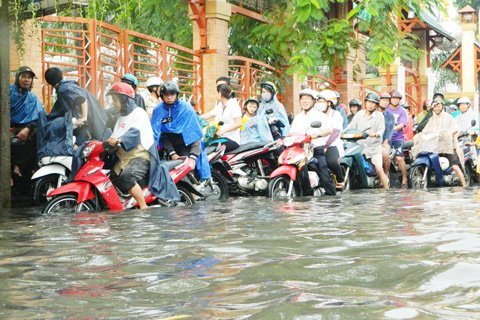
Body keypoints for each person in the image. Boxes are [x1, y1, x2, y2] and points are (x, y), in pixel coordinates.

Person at [106, 82, 179, 209]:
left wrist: (119, 140)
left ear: (124, 100)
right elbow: (113, 136)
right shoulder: (120, 118)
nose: (114, 103)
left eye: (115, 100)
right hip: (126, 158)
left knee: (126, 177)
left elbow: (134, 134)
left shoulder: (139, 113)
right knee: (110, 179)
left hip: (141, 156)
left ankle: (143, 205)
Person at [151, 81, 211, 180]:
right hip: (168, 146)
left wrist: (192, 157)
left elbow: (195, 134)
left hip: (187, 145)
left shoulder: (186, 109)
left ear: (177, 95)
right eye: (166, 95)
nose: (169, 97)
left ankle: (193, 193)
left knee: (186, 170)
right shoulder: (158, 110)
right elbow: (158, 134)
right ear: (161, 96)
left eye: (172, 94)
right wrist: (172, 153)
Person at [44, 67, 110, 145]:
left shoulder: (63, 89)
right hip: (96, 116)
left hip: (89, 123)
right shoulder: (69, 85)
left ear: (49, 82)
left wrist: (83, 117)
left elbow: (82, 99)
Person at [290, 88, 336, 195]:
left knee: (324, 177)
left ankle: (333, 199)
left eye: (307, 99)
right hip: (300, 151)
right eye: (302, 99)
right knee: (300, 174)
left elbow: (329, 130)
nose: (304, 101)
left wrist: (317, 135)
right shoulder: (298, 117)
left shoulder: (320, 115)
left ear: (313, 101)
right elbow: (291, 132)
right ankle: (305, 194)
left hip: (315, 150)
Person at [414, 99, 466, 187]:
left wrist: (447, 134)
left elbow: (456, 129)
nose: (437, 108)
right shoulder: (431, 119)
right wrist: (421, 135)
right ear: (432, 108)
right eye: (435, 106)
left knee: (454, 167)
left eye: (438, 106)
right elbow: (426, 130)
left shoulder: (448, 117)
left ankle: (464, 185)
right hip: (435, 146)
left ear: (442, 106)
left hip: (449, 146)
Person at [346, 93, 389, 189]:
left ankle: (386, 190)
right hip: (359, 147)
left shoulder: (379, 116)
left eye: (373, 103)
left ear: (377, 105)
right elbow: (350, 127)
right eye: (369, 102)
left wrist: (375, 134)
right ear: (365, 102)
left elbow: (381, 130)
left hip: (374, 148)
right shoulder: (359, 114)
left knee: (379, 169)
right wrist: (342, 133)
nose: (370, 104)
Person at [10, 66, 45, 183]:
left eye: (29, 78)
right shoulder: (8, 92)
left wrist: (27, 128)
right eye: (23, 76)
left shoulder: (33, 98)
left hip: (26, 128)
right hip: (8, 127)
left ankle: (21, 167)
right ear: (17, 78)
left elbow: (40, 116)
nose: (26, 80)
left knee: (39, 133)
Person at [316, 90, 345, 189]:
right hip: (316, 144)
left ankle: (340, 179)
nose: (319, 104)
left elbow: (335, 132)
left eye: (322, 101)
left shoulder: (336, 115)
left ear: (329, 103)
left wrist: (326, 145)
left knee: (331, 162)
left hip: (333, 145)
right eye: (318, 102)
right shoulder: (316, 115)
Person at [201, 84, 242, 151]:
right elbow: (208, 115)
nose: (215, 95)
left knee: (210, 148)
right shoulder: (220, 105)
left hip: (231, 139)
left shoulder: (233, 105)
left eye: (216, 93)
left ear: (220, 93)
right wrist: (194, 117)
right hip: (221, 138)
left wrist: (223, 131)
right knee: (205, 144)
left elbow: (239, 123)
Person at [388, 90, 409, 187]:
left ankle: (404, 177)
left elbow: (402, 124)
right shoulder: (386, 110)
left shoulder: (402, 111)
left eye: (397, 99)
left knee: (399, 158)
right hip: (386, 138)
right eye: (393, 98)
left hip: (397, 138)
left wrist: (392, 129)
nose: (395, 100)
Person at [378, 92, 395, 176]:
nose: (385, 102)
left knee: (385, 154)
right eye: (383, 100)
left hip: (385, 141)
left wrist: (385, 142)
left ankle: (385, 174)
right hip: (371, 141)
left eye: (387, 100)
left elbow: (390, 131)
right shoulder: (374, 113)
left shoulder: (390, 116)